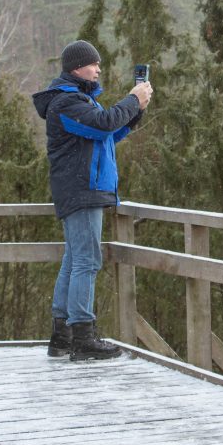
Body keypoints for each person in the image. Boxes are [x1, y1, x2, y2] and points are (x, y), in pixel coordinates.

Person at [32, 40, 152, 361]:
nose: (99, 69)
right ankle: (83, 337)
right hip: (81, 189)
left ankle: (63, 337)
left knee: (75, 260)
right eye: (94, 64)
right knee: (87, 261)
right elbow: (103, 123)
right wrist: (132, 99)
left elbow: (107, 134)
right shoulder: (65, 103)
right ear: (76, 68)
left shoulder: (78, 101)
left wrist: (134, 113)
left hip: (83, 188)